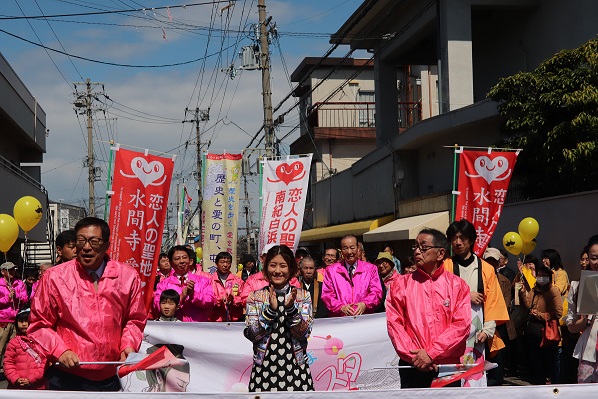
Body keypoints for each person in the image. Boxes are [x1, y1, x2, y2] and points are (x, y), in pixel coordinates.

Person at [28, 217, 147, 391]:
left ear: (106, 245)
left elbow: (134, 319)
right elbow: (39, 324)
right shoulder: (55, 277)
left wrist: (128, 345)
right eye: (81, 241)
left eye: (94, 241)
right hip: (67, 376)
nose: (86, 247)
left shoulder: (127, 276)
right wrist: (61, 351)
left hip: (110, 375)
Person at [386, 228, 471, 388]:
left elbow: (462, 325)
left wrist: (431, 353)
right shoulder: (400, 285)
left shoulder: (457, 285)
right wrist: (416, 357)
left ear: (440, 253)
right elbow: (394, 325)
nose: (417, 251)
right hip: (412, 365)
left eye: (423, 247)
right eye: (415, 247)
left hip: (446, 367)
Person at [444, 219, 509, 387]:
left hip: (477, 334)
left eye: (462, 238)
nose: (457, 242)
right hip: (450, 332)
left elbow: (493, 302)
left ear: (471, 240)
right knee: (451, 378)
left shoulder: (486, 268)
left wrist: (487, 331)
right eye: (454, 238)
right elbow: (439, 298)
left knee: (475, 379)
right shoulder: (445, 266)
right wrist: (466, 295)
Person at [244, 245, 314, 392]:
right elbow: (251, 334)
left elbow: (304, 333)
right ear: (266, 268)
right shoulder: (255, 297)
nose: (277, 271)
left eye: (283, 266)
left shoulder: (303, 296)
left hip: (296, 368)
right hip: (264, 369)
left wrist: (291, 309)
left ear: (291, 269)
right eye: (272, 265)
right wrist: (270, 311)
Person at [519, 265, 562, 385]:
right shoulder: (534, 289)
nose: (541, 278)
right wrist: (522, 293)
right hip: (532, 331)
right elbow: (528, 305)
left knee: (549, 361)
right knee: (536, 362)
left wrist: (540, 315)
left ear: (548, 278)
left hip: (546, 332)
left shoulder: (553, 291)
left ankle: (552, 385)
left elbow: (558, 312)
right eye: (539, 275)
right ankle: (539, 384)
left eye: (544, 276)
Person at [321, 235, 382, 317]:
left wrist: (365, 304)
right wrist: (341, 307)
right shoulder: (331, 271)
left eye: (352, 248)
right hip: (340, 320)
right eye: (345, 248)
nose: (349, 252)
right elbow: (327, 295)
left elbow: (376, 292)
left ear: (358, 248)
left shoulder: (371, 269)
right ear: (341, 250)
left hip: (364, 319)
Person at [565, 236, 598, 383]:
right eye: (593, 258)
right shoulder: (577, 286)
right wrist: (584, 320)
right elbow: (571, 327)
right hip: (589, 351)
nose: (596, 262)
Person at [482, 247, 517, 386]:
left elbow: (505, 304)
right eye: (488, 260)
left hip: (499, 325)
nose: (491, 264)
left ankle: (496, 385)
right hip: (480, 324)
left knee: (497, 360)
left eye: (493, 261)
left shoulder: (504, 281)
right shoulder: (479, 278)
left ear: (498, 263)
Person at [153, 245, 214, 322]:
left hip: (198, 328)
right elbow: (157, 306)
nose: (182, 261)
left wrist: (193, 295)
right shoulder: (163, 285)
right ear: (171, 263)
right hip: (174, 328)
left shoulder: (203, 281)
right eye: (177, 258)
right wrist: (180, 297)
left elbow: (210, 302)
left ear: (190, 261)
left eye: (185, 257)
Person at [3, 307, 47, 390]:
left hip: (37, 386)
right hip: (17, 387)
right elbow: (8, 363)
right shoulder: (14, 342)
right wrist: (15, 379)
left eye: (27, 321)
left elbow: (45, 364)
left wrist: (31, 379)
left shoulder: (41, 341)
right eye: (21, 321)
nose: (24, 324)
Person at [0, 262, 28, 368]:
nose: (12, 271)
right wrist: (7, 298)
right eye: (9, 270)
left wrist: (16, 295)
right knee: (1, 348)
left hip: (16, 320)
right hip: (3, 320)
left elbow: (25, 298)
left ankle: (14, 369)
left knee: (16, 347)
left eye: (13, 269)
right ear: (2, 272)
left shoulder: (19, 283)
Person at [209, 252, 244, 322]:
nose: (225, 265)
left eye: (228, 262)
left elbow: (244, 298)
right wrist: (220, 300)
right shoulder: (210, 281)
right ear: (216, 264)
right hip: (215, 320)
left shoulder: (238, 281)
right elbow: (208, 299)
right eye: (222, 262)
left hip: (234, 321)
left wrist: (233, 299)